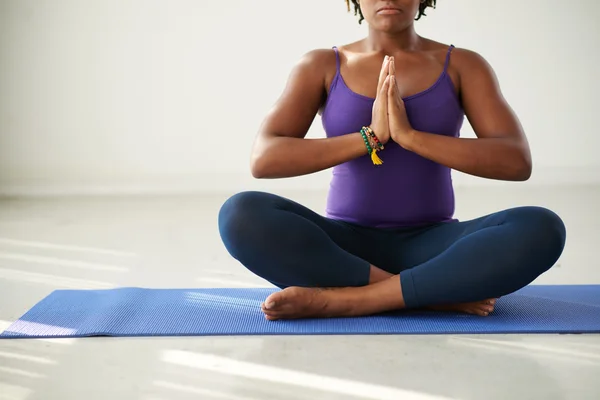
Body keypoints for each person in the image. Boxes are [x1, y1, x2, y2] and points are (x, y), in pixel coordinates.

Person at [218, 0, 566, 320]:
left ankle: (348, 301)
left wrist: (410, 137)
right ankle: (429, 294)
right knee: (240, 214)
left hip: (433, 246)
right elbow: (265, 159)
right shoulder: (321, 65)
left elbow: (515, 160)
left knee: (541, 228)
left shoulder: (463, 65)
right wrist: (369, 137)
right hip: (343, 250)